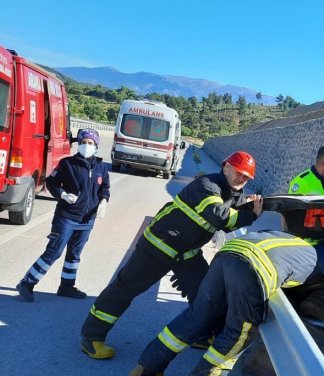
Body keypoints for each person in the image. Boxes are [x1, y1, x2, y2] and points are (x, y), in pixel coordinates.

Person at [79, 151, 263, 360]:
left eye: (247, 177)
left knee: (207, 293)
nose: (242, 179)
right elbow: (220, 217)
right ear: (226, 167)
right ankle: (91, 337)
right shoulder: (207, 185)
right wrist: (251, 215)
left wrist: (248, 205)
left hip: (186, 251)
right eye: (239, 173)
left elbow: (231, 217)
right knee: (125, 288)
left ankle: (201, 334)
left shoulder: (232, 192)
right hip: (160, 246)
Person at [128, 230, 321, 376]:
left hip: (227, 254)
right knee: (240, 331)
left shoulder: (288, 238)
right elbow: (294, 288)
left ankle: (146, 368)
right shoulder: (316, 260)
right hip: (254, 267)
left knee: (198, 315)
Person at [16, 129, 110, 302]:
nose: (86, 146)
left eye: (90, 143)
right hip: (66, 217)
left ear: (96, 146)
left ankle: (66, 286)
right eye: (83, 142)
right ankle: (27, 283)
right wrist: (62, 194)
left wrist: (104, 201)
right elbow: (51, 182)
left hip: (87, 220)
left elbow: (105, 188)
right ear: (79, 144)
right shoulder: (67, 164)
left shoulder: (102, 168)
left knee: (74, 255)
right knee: (54, 251)